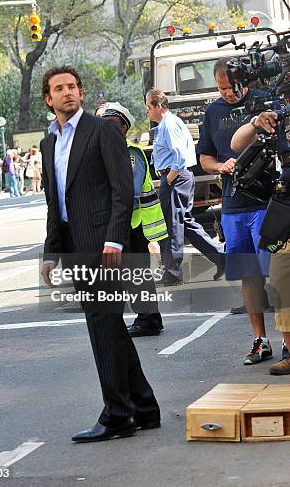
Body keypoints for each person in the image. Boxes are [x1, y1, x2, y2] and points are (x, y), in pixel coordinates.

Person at [40, 65, 160, 443]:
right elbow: (54, 202)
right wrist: (50, 251)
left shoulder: (103, 130)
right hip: (73, 245)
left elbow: (121, 191)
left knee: (103, 329)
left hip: (103, 247)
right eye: (59, 88)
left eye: (73, 86)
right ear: (49, 98)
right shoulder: (48, 143)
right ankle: (143, 406)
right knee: (108, 328)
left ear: (81, 92)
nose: (68, 93)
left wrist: (115, 239)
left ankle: (118, 414)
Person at [197, 57, 272, 365]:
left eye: (229, 87)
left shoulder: (263, 102)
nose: (226, 93)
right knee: (248, 276)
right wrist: (220, 165)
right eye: (220, 88)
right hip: (233, 205)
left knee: (280, 276)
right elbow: (205, 158)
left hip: (267, 202)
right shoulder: (213, 111)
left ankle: (289, 343)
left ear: (243, 81)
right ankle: (260, 340)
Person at [101, 102, 168, 337]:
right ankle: (148, 317)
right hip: (120, 223)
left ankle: (148, 319)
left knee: (136, 273)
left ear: (123, 127)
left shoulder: (130, 152)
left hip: (133, 223)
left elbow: (131, 190)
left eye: (112, 125)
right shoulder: (107, 152)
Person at [231, 110, 290, 374]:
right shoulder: (279, 118)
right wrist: (257, 122)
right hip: (285, 215)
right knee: (279, 281)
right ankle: (289, 351)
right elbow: (236, 144)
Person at [145, 89, 224, 286]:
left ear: (159, 106)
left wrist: (170, 177)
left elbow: (179, 155)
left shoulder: (169, 124)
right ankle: (221, 257)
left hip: (175, 178)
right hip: (177, 178)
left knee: (171, 224)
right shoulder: (166, 124)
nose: (147, 111)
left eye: (148, 107)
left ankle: (172, 272)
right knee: (185, 222)